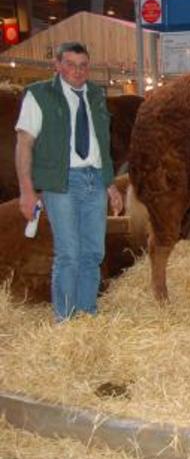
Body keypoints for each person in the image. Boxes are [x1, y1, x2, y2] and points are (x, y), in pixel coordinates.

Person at [15, 41, 123, 321]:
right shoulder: (39, 95)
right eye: (71, 64)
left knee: (93, 252)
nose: (78, 71)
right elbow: (24, 143)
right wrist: (27, 190)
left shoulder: (96, 95)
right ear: (58, 65)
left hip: (94, 181)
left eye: (83, 65)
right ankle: (64, 320)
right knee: (69, 254)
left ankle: (86, 315)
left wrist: (110, 185)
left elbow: (102, 144)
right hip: (61, 181)